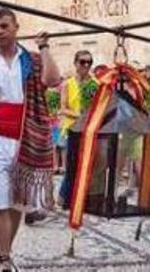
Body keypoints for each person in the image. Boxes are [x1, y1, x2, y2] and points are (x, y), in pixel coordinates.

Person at [0, 8, 60, 271]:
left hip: (26, 140)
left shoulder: (34, 60)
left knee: (18, 201)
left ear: (16, 27)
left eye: (4, 26)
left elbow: (53, 80)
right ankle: (3, 259)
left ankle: (6, 253)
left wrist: (45, 47)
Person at [58, 50, 97, 208]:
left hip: (89, 129)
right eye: (82, 62)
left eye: (89, 62)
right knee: (71, 165)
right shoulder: (68, 84)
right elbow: (63, 108)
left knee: (87, 165)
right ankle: (65, 197)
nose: (86, 65)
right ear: (75, 63)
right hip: (72, 129)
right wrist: (78, 115)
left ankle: (83, 198)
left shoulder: (95, 84)